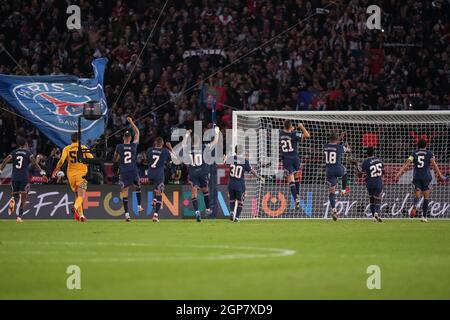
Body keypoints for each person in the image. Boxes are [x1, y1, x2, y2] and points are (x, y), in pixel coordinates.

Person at [395, 139, 447, 222]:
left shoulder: (414, 153)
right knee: (426, 197)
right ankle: (424, 217)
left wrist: (399, 173)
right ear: (426, 145)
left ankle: (415, 206)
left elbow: (407, 163)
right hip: (426, 177)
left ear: (417, 145)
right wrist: (440, 175)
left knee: (417, 195)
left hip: (417, 177)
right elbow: (434, 164)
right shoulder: (429, 153)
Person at [0, 137, 46, 222]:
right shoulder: (28, 153)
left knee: (16, 195)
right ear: (25, 144)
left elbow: (5, 161)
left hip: (14, 178)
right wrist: (42, 172)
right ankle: (19, 217)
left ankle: (13, 199)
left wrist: (0, 171)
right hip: (24, 178)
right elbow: (35, 163)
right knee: (24, 198)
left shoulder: (14, 152)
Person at [51, 132, 95, 222]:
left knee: (77, 195)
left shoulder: (66, 148)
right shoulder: (83, 148)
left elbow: (62, 160)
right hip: (81, 175)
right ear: (79, 139)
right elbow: (91, 159)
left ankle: (81, 216)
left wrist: (56, 170)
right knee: (81, 196)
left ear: (71, 140)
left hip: (70, 176)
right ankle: (75, 207)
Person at [184, 126, 220, 222]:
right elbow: (215, 142)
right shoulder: (203, 147)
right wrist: (217, 132)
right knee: (205, 190)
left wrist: (187, 135)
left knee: (194, 192)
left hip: (193, 173)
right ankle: (208, 209)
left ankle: (197, 212)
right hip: (203, 172)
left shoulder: (188, 149)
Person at [225, 145, 264, 222]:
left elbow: (225, 163)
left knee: (232, 200)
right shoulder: (245, 161)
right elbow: (252, 171)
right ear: (242, 151)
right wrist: (259, 177)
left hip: (231, 183)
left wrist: (225, 159)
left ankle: (232, 212)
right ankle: (237, 218)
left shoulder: (231, 159)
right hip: (240, 185)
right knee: (240, 202)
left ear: (235, 151)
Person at [114, 117, 143, 222]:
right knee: (137, 187)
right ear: (130, 138)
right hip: (133, 170)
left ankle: (126, 214)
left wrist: (119, 158)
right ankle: (139, 206)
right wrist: (131, 122)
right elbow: (137, 133)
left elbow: (115, 158)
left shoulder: (119, 146)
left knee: (125, 191)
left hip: (124, 171)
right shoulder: (134, 146)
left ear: (123, 138)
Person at [279, 120, 310, 209]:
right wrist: (301, 127)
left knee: (291, 180)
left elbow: (286, 131)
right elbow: (307, 135)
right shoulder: (294, 134)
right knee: (296, 177)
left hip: (286, 160)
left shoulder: (281, 134)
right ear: (291, 126)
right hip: (296, 159)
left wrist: (290, 129)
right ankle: (298, 195)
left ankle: (296, 198)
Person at [146, 137, 177, 222]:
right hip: (159, 174)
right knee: (160, 193)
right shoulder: (165, 151)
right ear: (162, 144)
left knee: (156, 189)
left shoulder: (149, 150)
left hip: (150, 174)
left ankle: (154, 199)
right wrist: (170, 147)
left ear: (155, 143)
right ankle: (155, 215)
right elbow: (175, 158)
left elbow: (147, 159)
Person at [323, 132, 351, 221]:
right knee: (345, 171)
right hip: (338, 168)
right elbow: (348, 150)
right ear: (337, 140)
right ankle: (343, 190)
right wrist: (348, 148)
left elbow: (333, 144)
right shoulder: (340, 147)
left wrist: (339, 138)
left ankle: (334, 209)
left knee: (332, 192)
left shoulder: (325, 146)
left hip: (329, 171)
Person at [359, 147, 384, 222]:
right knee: (378, 199)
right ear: (374, 153)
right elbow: (383, 172)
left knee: (371, 200)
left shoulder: (365, 162)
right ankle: (376, 213)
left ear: (367, 153)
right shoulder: (379, 160)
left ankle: (373, 216)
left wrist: (356, 166)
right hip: (378, 182)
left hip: (369, 183)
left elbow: (360, 175)